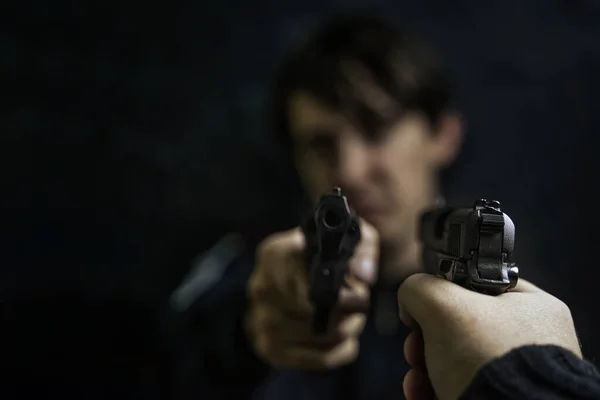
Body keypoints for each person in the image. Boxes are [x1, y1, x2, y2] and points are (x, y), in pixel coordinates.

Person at [245, 13, 600, 400]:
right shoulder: (254, 275)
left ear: (443, 135)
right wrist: (248, 329)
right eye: (320, 144)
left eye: (375, 128)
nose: (350, 171)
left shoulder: (554, 292)